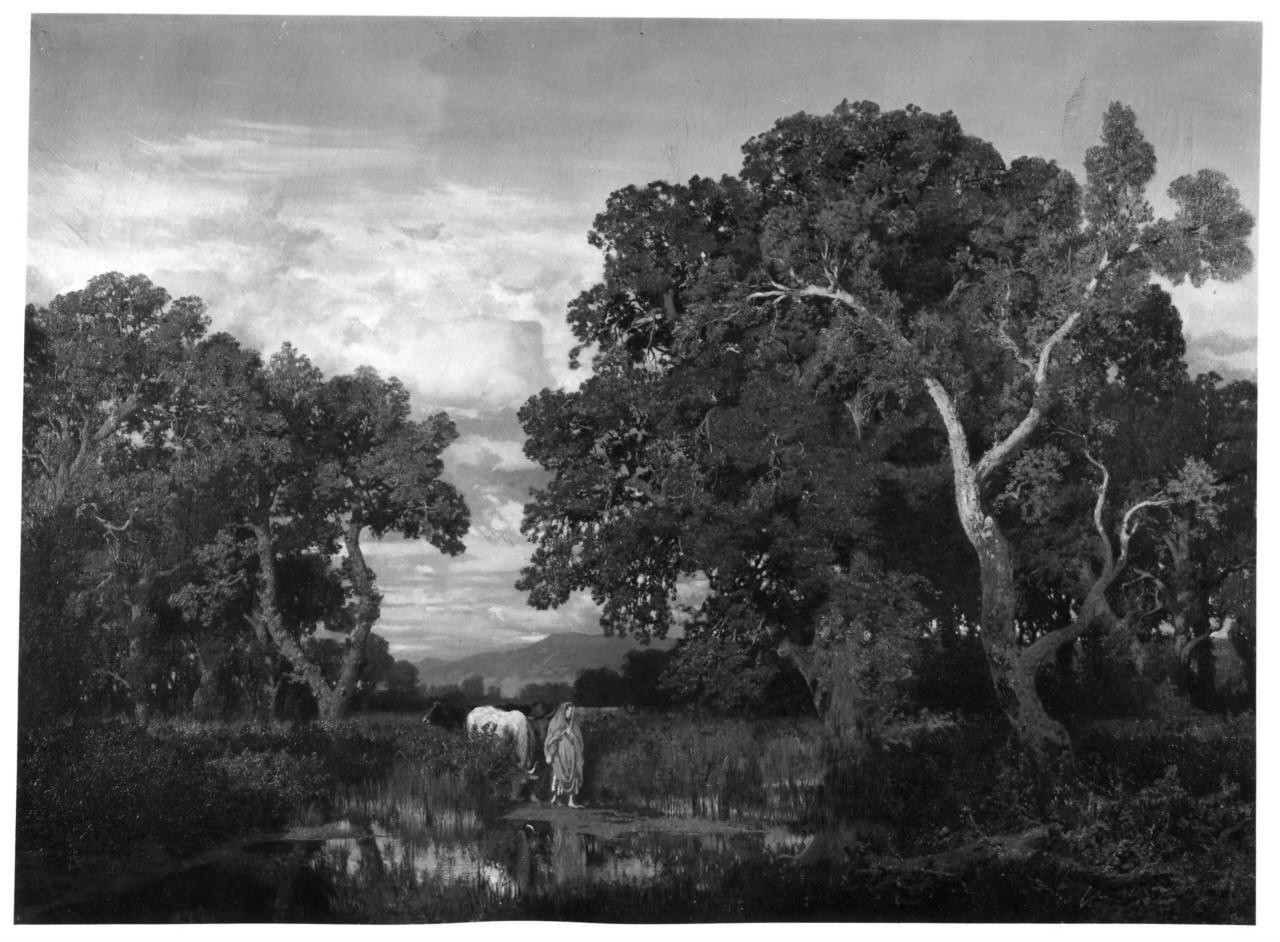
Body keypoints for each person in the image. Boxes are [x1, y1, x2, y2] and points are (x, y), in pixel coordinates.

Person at [543, 701, 584, 807]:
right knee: (558, 774)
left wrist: (572, 735)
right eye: (568, 710)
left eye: (571, 711)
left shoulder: (573, 725)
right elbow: (551, 740)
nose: (570, 713)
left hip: (571, 755)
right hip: (559, 755)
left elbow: (578, 741)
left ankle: (570, 800)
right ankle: (555, 797)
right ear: (563, 710)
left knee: (572, 774)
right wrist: (550, 754)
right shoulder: (555, 723)